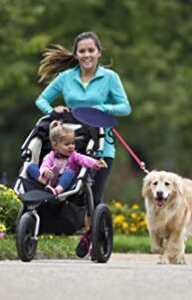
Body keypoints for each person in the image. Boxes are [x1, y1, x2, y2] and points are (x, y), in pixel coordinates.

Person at [35, 31, 131, 258]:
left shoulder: (110, 78)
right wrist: (52, 111)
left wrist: (103, 109)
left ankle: (90, 235)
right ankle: (76, 226)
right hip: (71, 146)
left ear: (98, 53)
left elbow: (125, 107)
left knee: (94, 196)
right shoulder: (66, 77)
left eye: (91, 50)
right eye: (82, 51)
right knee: (75, 193)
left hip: (101, 146)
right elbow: (41, 99)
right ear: (76, 54)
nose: (87, 55)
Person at [27, 120, 108, 195]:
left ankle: (57, 190)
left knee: (70, 172)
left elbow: (84, 159)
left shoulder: (74, 155)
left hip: (63, 181)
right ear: (55, 145)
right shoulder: (50, 156)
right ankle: (42, 180)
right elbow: (45, 165)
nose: (71, 147)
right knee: (31, 166)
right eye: (67, 144)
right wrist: (45, 172)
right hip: (49, 179)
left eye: (73, 143)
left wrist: (95, 163)